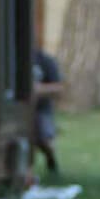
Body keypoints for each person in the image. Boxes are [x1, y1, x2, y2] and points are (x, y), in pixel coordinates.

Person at [32, 48, 64, 177]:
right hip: (21, 108)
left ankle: (51, 159)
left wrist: (39, 89)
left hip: (41, 109)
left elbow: (59, 87)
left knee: (43, 138)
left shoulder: (45, 60)